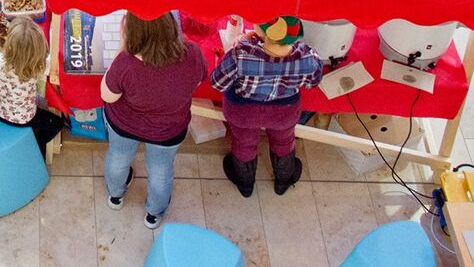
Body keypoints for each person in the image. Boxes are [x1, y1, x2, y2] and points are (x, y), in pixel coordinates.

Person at [100, 12, 206, 229]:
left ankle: (116, 196)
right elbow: (198, 80)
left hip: (124, 125)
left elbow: (107, 96)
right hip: (168, 130)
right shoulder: (192, 53)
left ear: (133, 35)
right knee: (161, 171)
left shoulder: (126, 64)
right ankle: (153, 214)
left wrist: (121, 51)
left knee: (119, 159)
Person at [210, 16, 324, 198]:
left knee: (243, 142)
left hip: (243, 111)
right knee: (284, 141)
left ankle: (245, 184)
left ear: (263, 31)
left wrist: (234, 49)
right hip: (284, 112)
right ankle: (284, 181)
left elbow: (218, 83)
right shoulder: (308, 57)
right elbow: (313, 82)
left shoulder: (240, 54)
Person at [0, 17, 64, 157]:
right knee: (58, 123)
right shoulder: (39, 66)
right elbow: (54, 66)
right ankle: (36, 145)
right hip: (24, 118)